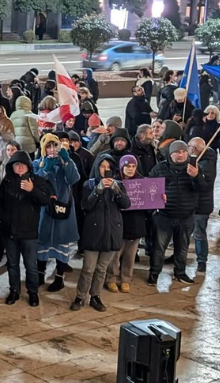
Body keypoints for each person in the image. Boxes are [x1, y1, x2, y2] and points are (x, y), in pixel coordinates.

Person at [71, 154, 130, 312]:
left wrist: (116, 190)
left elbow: (126, 204)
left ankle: (95, 296)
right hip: (93, 231)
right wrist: (98, 190)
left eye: (109, 167)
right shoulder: (89, 184)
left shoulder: (118, 184)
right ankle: (80, 296)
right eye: (102, 166)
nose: (106, 170)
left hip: (112, 232)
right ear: (97, 167)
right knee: (88, 268)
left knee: (101, 269)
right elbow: (86, 205)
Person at [0, 151, 51, 306]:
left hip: (29, 233)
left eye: (22, 164)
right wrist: (5, 219)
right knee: (12, 265)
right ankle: (14, 291)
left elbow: (46, 200)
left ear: (28, 166)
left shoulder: (38, 181)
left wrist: (32, 190)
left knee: (31, 266)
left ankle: (33, 292)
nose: (19, 168)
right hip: (9, 232)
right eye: (16, 165)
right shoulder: (6, 182)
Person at [147, 140, 206, 285]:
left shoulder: (194, 167)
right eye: (177, 152)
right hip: (164, 215)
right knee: (159, 248)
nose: (180, 155)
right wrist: (158, 197)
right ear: (170, 154)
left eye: (183, 152)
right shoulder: (159, 168)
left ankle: (180, 272)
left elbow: (203, 189)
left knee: (182, 248)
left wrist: (196, 176)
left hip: (186, 216)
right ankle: (154, 273)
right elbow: (149, 189)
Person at [35, 133, 80, 293]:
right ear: (43, 148)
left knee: (61, 244)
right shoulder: (37, 163)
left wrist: (66, 160)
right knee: (42, 243)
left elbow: (75, 179)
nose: (52, 149)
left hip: (63, 209)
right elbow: (34, 182)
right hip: (44, 211)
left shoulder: (65, 163)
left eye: (54, 145)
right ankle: (40, 274)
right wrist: (45, 168)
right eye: (48, 146)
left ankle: (59, 278)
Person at [105, 155, 148, 292]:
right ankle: (111, 278)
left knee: (130, 255)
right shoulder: (114, 182)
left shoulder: (143, 182)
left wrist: (159, 198)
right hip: (118, 223)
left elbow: (149, 204)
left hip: (135, 223)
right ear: (121, 167)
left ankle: (125, 279)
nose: (130, 169)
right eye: (127, 166)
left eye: (132, 166)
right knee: (115, 255)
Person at [189, 138, 217, 273]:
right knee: (183, 233)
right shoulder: (193, 159)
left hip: (201, 205)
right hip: (188, 203)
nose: (190, 149)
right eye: (190, 146)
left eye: (193, 147)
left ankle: (202, 261)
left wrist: (196, 175)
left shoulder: (207, 162)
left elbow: (205, 185)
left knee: (199, 234)